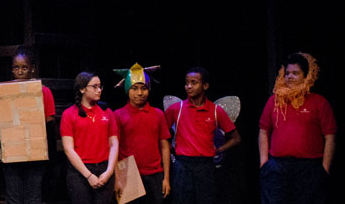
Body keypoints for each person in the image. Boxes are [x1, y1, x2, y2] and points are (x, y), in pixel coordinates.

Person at [258, 52, 336, 204]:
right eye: (287, 73)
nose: (290, 77)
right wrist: (264, 162)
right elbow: (263, 131)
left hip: (309, 168)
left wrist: (325, 168)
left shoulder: (319, 102)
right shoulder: (274, 101)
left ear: (305, 76)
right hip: (277, 167)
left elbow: (330, 136)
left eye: (295, 73)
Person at [164, 67, 240, 204]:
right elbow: (161, 135)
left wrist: (218, 149)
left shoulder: (215, 110)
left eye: (194, 82)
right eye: (187, 82)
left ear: (205, 86)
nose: (189, 86)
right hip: (183, 166)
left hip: (205, 167)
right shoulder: (177, 109)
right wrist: (171, 149)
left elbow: (236, 138)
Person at [0, 47, 56, 204]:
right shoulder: (4, 91)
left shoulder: (43, 91)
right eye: (16, 67)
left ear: (32, 69)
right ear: (12, 70)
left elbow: (48, 121)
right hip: (12, 153)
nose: (20, 72)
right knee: (13, 198)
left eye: (24, 67)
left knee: (33, 198)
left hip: (34, 154)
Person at [112, 64, 170, 204]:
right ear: (127, 90)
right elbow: (114, 148)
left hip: (155, 174)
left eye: (144, 88)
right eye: (135, 88)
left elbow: (164, 146)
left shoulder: (158, 114)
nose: (139, 93)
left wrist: (166, 178)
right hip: (129, 173)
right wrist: (117, 179)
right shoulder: (118, 115)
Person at [61, 72, 118, 204]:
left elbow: (114, 144)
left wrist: (109, 171)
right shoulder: (69, 114)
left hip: (104, 169)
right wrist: (89, 175)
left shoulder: (107, 112)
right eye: (94, 87)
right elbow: (68, 149)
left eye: (100, 86)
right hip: (80, 172)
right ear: (82, 89)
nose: (99, 90)